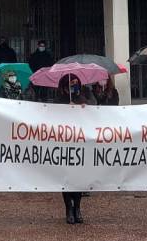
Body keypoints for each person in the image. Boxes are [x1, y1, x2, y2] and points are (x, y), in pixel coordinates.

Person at [54, 74, 94, 224]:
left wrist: (83, 104)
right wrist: (66, 107)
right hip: (65, 143)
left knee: (79, 178)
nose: (74, 86)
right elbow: (52, 114)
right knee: (66, 178)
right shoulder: (59, 100)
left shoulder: (83, 95)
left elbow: (94, 105)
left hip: (80, 143)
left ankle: (77, 208)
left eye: (76, 83)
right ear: (64, 86)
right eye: (71, 84)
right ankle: (68, 209)